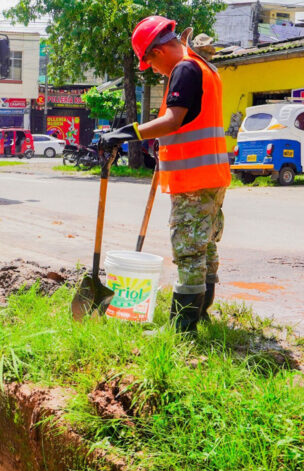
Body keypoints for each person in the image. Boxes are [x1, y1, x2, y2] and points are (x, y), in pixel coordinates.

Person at [101, 15, 231, 332]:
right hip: (212, 175)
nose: (155, 72)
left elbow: (173, 120)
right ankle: (200, 314)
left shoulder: (184, 69)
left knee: (188, 252)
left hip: (194, 180)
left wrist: (126, 133)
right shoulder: (203, 67)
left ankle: (182, 327)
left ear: (156, 52)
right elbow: (191, 123)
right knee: (204, 248)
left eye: (150, 65)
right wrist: (162, 144)